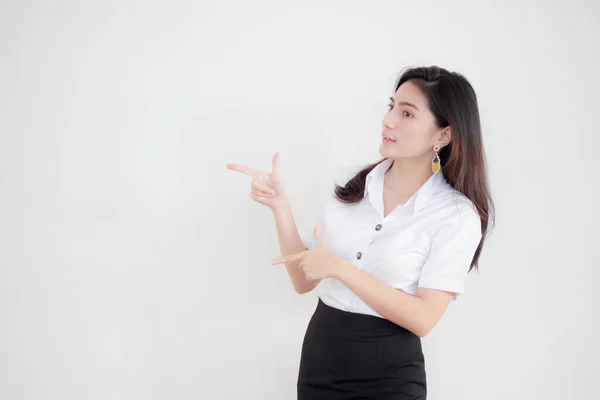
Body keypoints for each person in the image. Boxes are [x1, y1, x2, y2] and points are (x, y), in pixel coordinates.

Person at [226, 65, 494, 400]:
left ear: (443, 135)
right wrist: (281, 208)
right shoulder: (350, 183)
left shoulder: (454, 214)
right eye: (391, 106)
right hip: (320, 362)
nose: (389, 120)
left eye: (407, 113)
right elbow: (302, 280)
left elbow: (424, 319)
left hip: (389, 375)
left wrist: (342, 270)